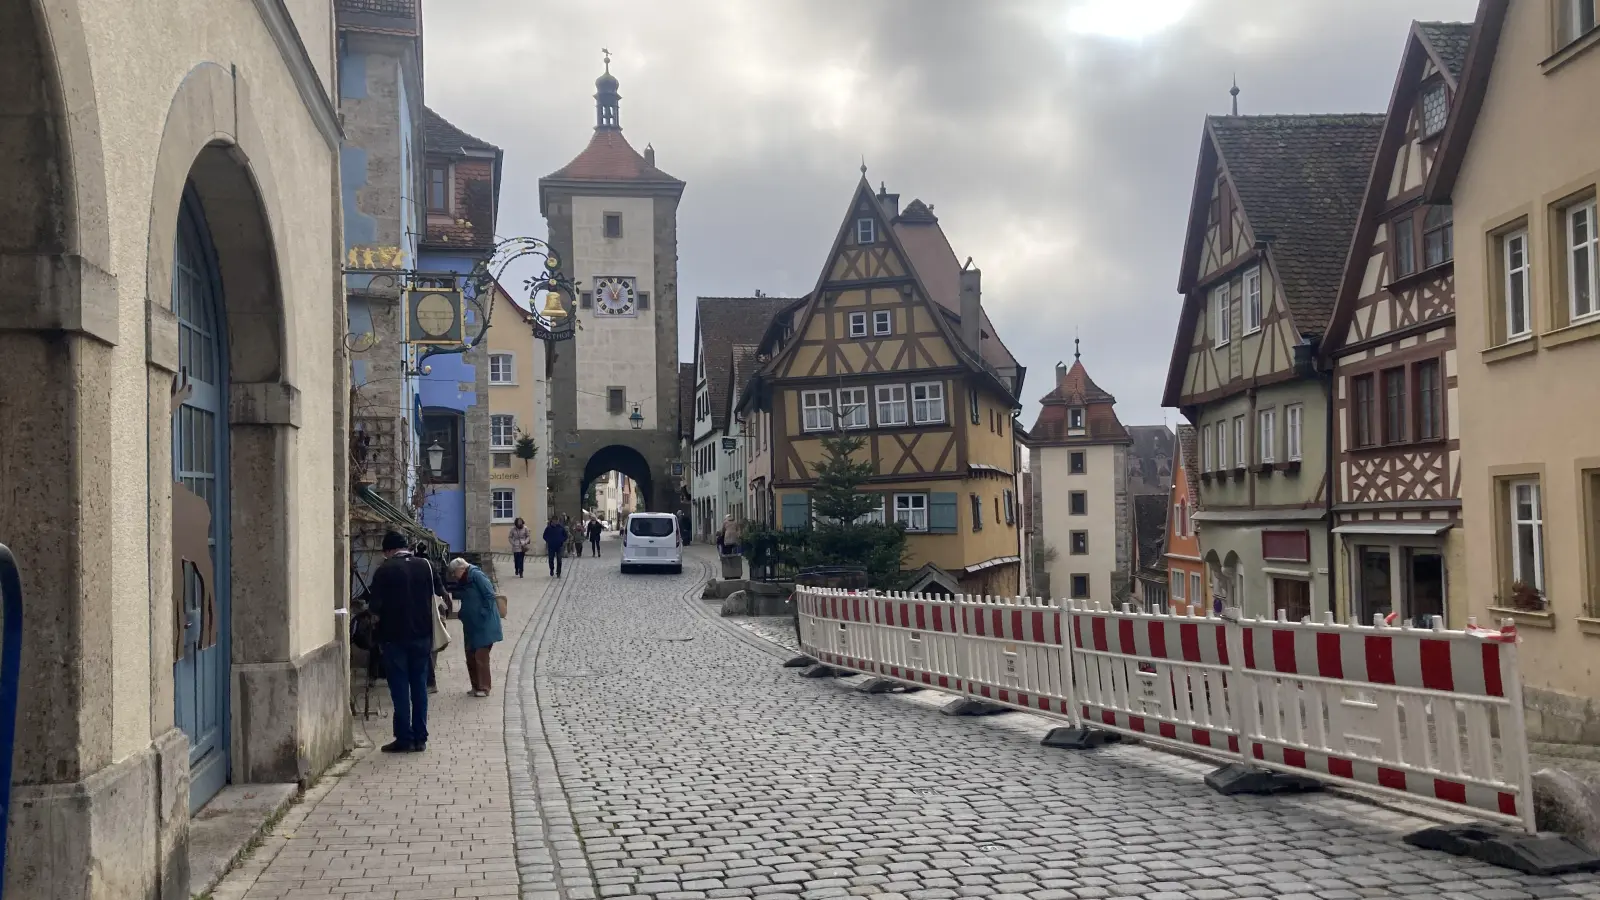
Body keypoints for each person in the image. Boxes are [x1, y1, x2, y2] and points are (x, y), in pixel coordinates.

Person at [368, 531, 436, 752]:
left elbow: (374, 609)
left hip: (394, 637)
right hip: (422, 635)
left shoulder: (384, 570)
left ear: (388, 551)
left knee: (399, 689)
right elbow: (437, 595)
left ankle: (404, 738)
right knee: (419, 687)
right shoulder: (425, 566)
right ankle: (420, 737)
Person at [447, 557, 503, 697]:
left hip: (484, 624)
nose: (454, 576)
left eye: (454, 572)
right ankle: (475, 686)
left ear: (461, 568)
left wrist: (482, 613)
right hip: (471, 624)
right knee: (470, 654)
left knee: (481, 655)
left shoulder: (476, 575)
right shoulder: (465, 579)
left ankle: (484, 687)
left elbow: (489, 595)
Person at [415, 542, 450, 694]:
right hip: (429, 613)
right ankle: (429, 681)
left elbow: (440, 589)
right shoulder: (428, 566)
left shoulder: (421, 566)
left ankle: (429, 682)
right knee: (429, 651)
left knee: (427, 652)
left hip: (426, 613)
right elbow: (441, 589)